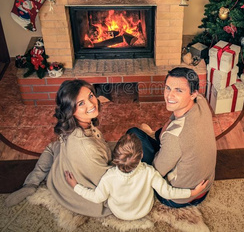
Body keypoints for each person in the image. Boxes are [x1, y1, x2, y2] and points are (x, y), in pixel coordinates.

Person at [6, 80, 112, 217]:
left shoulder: (72, 127)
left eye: (91, 96)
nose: (91, 104)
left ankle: (31, 183)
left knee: (53, 147)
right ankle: (30, 186)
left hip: (62, 171)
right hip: (88, 199)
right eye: (81, 103)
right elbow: (107, 180)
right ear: (70, 110)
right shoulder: (86, 147)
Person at [127, 67, 217, 208]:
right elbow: (171, 123)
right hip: (205, 187)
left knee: (133, 134)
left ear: (193, 94)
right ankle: (157, 138)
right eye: (168, 88)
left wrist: (165, 139)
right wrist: (164, 135)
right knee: (160, 135)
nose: (169, 95)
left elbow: (156, 172)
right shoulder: (201, 101)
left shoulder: (174, 137)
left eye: (179, 90)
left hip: (178, 197)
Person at [65, 133, 208, 221]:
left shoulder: (109, 177)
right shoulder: (149, 172)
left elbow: (97, 197)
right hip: (144, 210)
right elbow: (167, 192)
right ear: (141, 156)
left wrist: (75, 186)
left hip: (119, 213)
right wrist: (193, 192)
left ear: (115, 156)